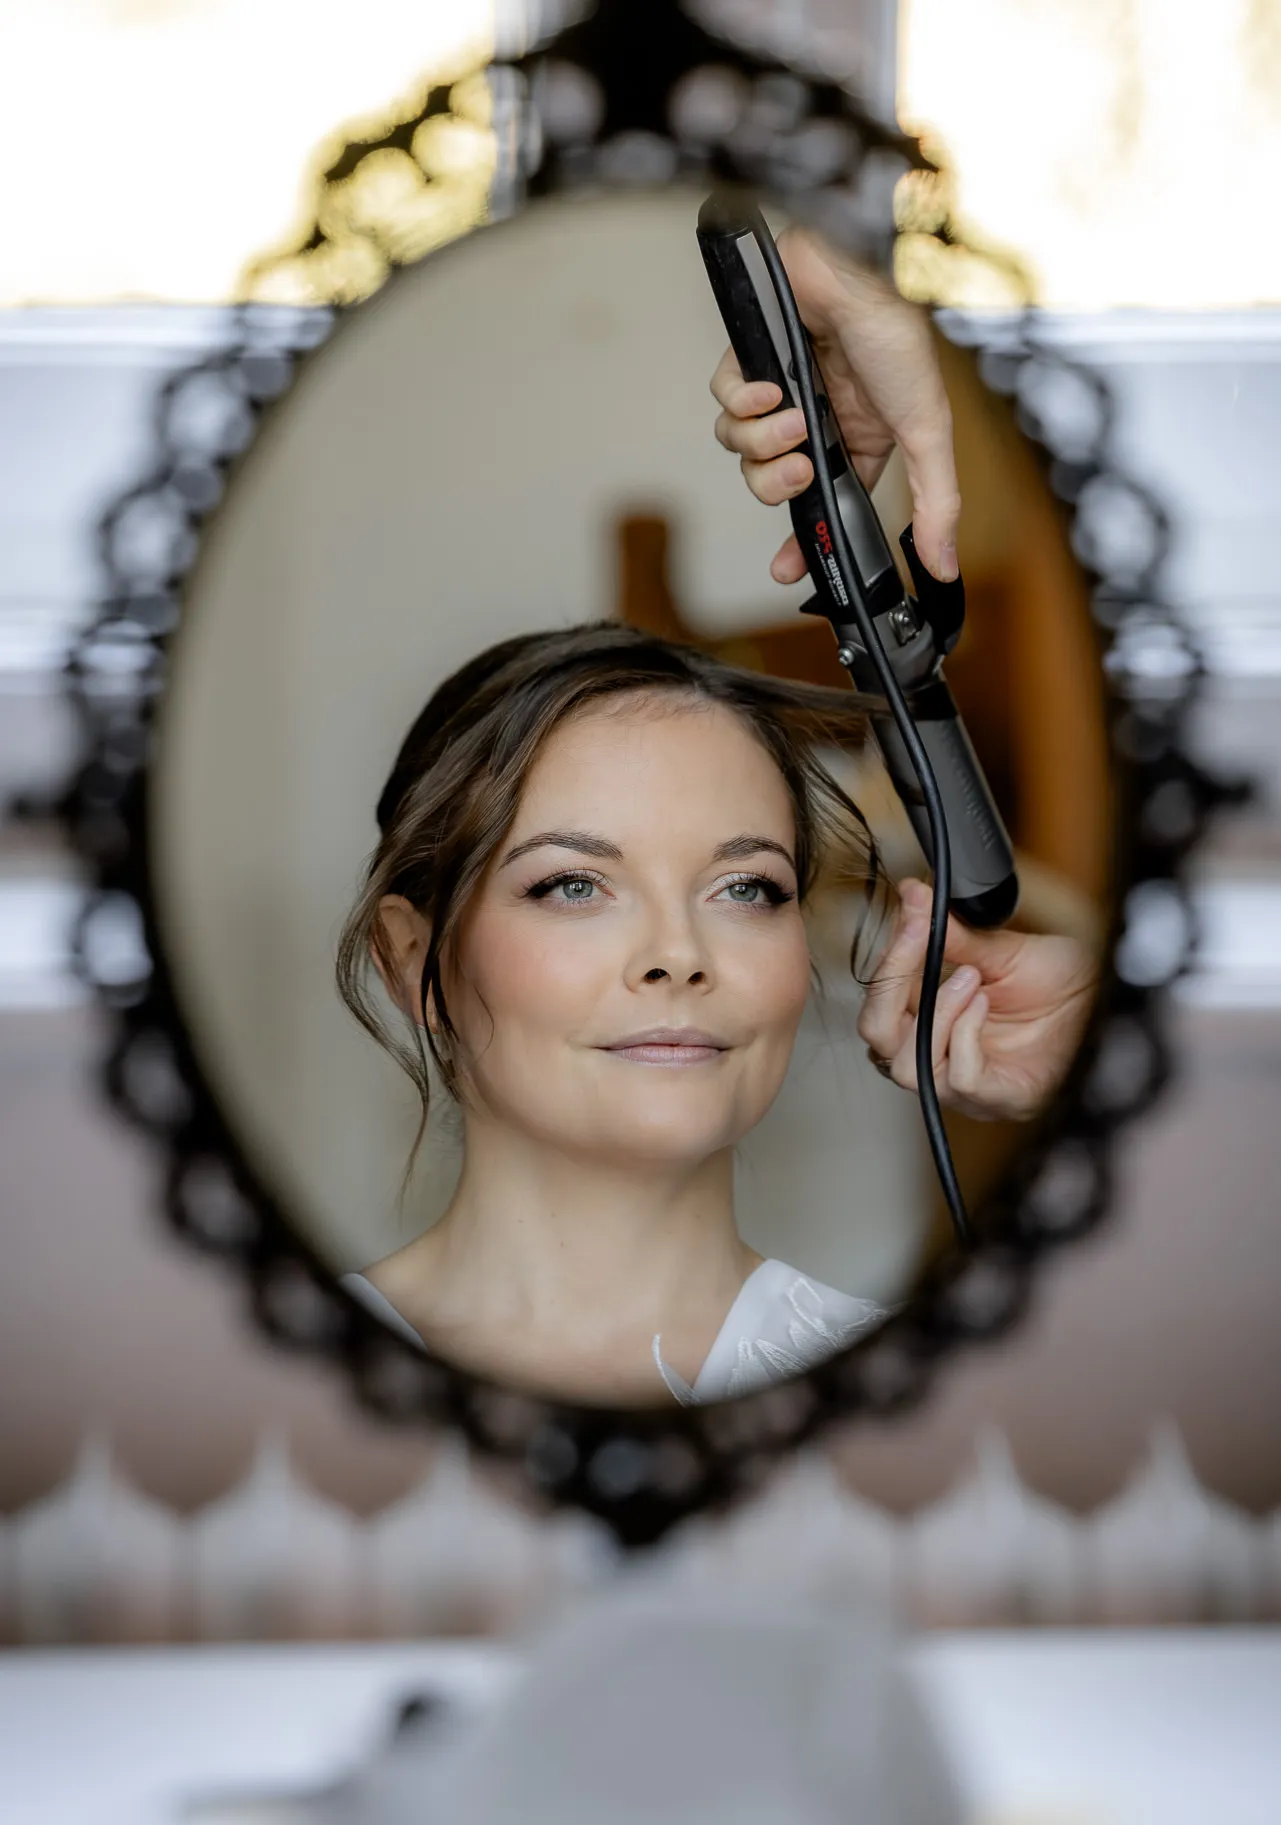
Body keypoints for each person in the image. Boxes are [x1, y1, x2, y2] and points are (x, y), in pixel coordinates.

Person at [334, 230, 1098, 1408]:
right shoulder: (269, 1393)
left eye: (747, 887)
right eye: (572, 884)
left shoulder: (943, 1404)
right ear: (409, 958)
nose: (678, 957)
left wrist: (1096, 1055)